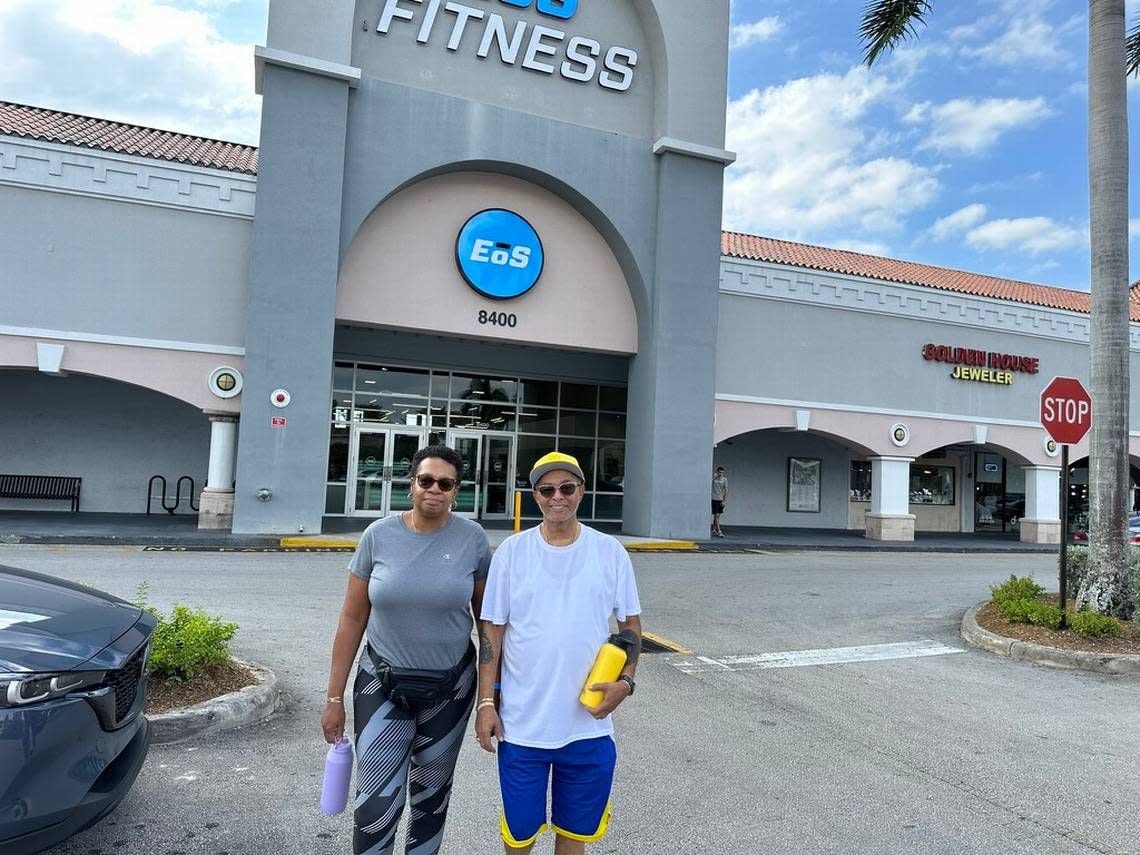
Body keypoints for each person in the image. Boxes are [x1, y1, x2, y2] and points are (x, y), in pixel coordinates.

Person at [321, 444, 492, 855]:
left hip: (450, 689)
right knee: (375, 804)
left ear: (456, 490)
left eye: (445, 483)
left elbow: (488, 625)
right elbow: (351, 619)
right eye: (426, 480)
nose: (435, 489)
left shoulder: (473, 539)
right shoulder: (378, 535)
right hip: (381, 684)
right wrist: (333, 697)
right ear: (411, 484)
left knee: (431, 801)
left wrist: (489, 697)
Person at [475, 451, 642, 854]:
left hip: (588, 724)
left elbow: (631, 628)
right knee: (519, 834)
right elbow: (491, 633)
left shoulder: (610, 552)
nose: (557, 497)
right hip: (522, 727)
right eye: (547, 490)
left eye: (567, 488)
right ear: (535, 496)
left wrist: (626, 682)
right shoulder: (513, 553)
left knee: (575, 833)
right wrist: (485, 703)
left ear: (581, 491)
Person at [711, 465, 729, 537]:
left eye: (722, 473)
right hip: (714, 499)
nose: (721, 474)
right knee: (716, 515)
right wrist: (714, 477)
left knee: (718, 516)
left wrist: (724, 500)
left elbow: (726, 489)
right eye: (719, 472)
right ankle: (719, 531)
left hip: (720, 499)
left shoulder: (724, 480)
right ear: (717, 472)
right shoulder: (714, 479)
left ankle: (714, 529)